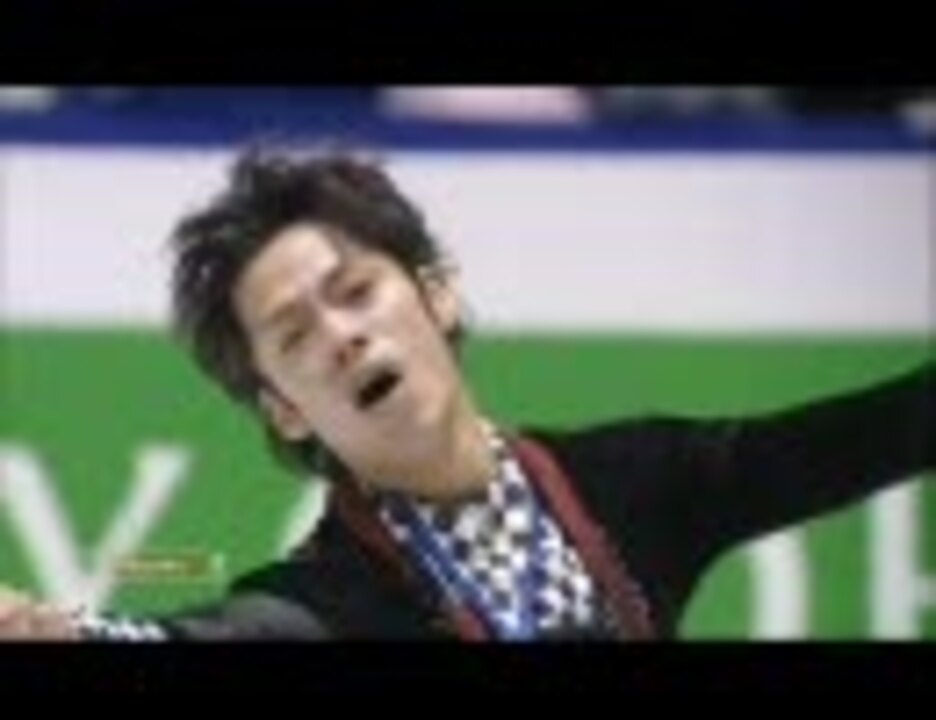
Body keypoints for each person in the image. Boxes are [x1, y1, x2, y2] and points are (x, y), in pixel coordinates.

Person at [1, 144, 934, 641]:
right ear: (282, 406)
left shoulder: (632, 481)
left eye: (355, 291)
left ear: (436, 294)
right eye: (294, 336)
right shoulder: (325, 602)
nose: (341, 334)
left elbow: (873, 434)